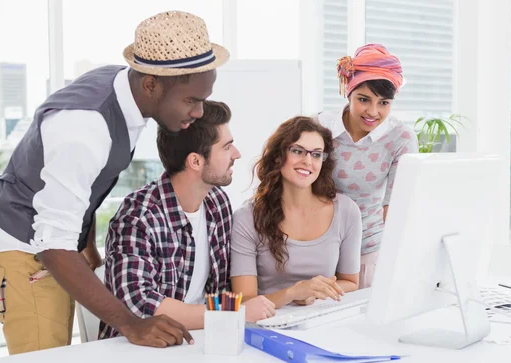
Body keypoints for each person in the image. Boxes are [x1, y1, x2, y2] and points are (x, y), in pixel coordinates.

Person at [0, 11, 228, 354]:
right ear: (151, 85)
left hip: (50, 243)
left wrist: (87, 248)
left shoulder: (124, 89)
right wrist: (131, 322)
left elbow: (82, 186)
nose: (200, 113)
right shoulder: (84, 128)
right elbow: (51, 242)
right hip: (26, 249)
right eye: (192, 100)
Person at [100, 101, 275, 340]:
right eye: (227, 147)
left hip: (202, 342)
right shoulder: (137, 217)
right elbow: (139, 305)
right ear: (195, 161)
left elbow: (224, 287)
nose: (237, 154)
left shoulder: (217, 203)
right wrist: (232, 314)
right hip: (139, 352)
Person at [316, 43, 419, 289]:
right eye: (364, 99)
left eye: (384, 103)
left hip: (368, 253)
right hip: (316, 250)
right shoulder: (319, 127)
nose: (373, 111)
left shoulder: (400, 138)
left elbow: (395, 207)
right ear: (348, 93)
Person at [230, 117, 362, 308]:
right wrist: (293, 293)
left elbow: (350, 282)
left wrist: (313, 293)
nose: (308, 161)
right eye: (298, 151)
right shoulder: (247, 217)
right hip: (267, 324)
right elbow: (244, 302)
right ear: (277, 156)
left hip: (321, 321)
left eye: (316, 155)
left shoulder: (347, 211)